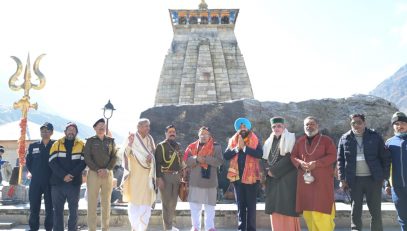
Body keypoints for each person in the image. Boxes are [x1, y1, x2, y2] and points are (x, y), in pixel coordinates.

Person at [337, 114, 391, 231]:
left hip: (373, 179)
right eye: (353, 123)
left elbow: (385, 157)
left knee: (375, 211)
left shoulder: (375, 136)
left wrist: (384, 177)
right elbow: (340, 160)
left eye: (359, 122)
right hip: (354, 180)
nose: (356, 125)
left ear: (364, 123)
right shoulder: (345, 138)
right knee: (355, 211)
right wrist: (342, 179)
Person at [290, 116, 337, 231]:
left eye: (312, 124)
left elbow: (333, 156)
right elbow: (293, 156)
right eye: (306, 124)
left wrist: (316, 163)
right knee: (308, 213)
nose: (309, 127)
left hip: (322, 183)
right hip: (306, 183)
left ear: (317, 126)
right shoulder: (300, 140)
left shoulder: (326, 140)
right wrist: (300, 163)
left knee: (322, 211)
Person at [261, 117, 300, 231]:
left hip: (287, 178)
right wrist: (268, 171)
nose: (276, 128)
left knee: (286, 206)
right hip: (272, 180)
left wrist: (273, 171)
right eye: (274, 126)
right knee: (274, 208)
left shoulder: (291, 138)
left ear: (284, 127)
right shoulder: (268, 141)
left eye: (279, 126)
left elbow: (291, 157)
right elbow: (264, 158)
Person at [224, 118, 263, 231]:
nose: (243, 128)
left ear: (248, 127)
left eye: (244, 126)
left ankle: (251, 229)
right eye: (240, 127)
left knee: (251, 206)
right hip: (237, 179)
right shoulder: (232, 140)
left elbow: (260, 154)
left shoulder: (255, 139)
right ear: (238, 129)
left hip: (252, 179)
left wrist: (245, 148)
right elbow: (226, 156)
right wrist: (237, 148)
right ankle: (241, 229)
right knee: (240, 206)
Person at [184, 126, 223, 231]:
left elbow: (219, 161)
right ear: (198, 135)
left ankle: (210, 227)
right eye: (202, 134)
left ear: (209, 136)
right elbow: (186, 160)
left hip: (210, 182)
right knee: (195, 208)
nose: (204, 136)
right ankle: (195, 227)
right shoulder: (191, 147)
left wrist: (205, 159)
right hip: (195, 182)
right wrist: (196, 159)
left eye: (206, 134)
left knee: (209, 207)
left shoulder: (217, 147)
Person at [49, 122, 86, 231]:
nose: (71, 131)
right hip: (58, 183)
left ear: (76, 132)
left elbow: (83, 162)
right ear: (65, 132)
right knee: (57, 211)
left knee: (73, 211)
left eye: (73, 130)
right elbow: (51, 161)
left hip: (74, 184)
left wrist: (71, 175)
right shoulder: (57, 144)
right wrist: (63, 175)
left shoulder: (81, 145)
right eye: (69, 129)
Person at [121, 118, 157, 231]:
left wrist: (152, 157)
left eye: (148, 126)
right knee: (134, 202)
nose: (148, 128)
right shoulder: (131, 137)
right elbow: (124, 154)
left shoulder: (150, 139)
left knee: (146, 203)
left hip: (147, 176)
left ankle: (143, 228)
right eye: (146, 126)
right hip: (135, 176)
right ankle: (135, 228)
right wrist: (130, 144)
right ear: (139, 127)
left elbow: (153, 153)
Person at [84, 118, 118, 231]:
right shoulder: (90, 141)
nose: (102, 127)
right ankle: (92, 229)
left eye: (103, 125)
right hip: (94, 174)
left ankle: (105, 228)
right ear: (94, 128)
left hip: (108, 174)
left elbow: (114, 157)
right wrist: (98, 170)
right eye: (99, 125)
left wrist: (107, 169)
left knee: (106, 203)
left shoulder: (111, 141)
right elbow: (87, 158)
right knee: (92, 203)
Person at [25, 122, 55, 231]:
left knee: (50, 208)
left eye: (47, 130)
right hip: (36, 181)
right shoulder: (33, 146)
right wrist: (35, 173)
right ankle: (33, 228)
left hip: (50, 181)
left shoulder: (55, 145)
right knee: (34, 207)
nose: (44, 132)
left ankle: (49, 228)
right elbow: (28, 162)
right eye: (42, 130)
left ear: (51, 132)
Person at [155, 124, 184, 231]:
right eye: (170, 132)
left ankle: (170, 226)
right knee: (166, 204)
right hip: (165, 177)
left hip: (176, 177)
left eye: (173, 132)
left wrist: (182, 175)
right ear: (166, 134)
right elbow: (157, 164)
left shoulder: (178, 145)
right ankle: (167, 228)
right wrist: (159, 178)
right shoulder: (160, 146)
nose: (172, 133)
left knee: (173, 203)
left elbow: (180, 162)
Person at [385, 111, 407, 231]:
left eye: (403, 122)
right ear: (393, 126)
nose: (400, 126)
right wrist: (387, 184)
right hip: (397, 188)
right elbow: (386, 165)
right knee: (403, 218)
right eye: (397, 123)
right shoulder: (389, 143)